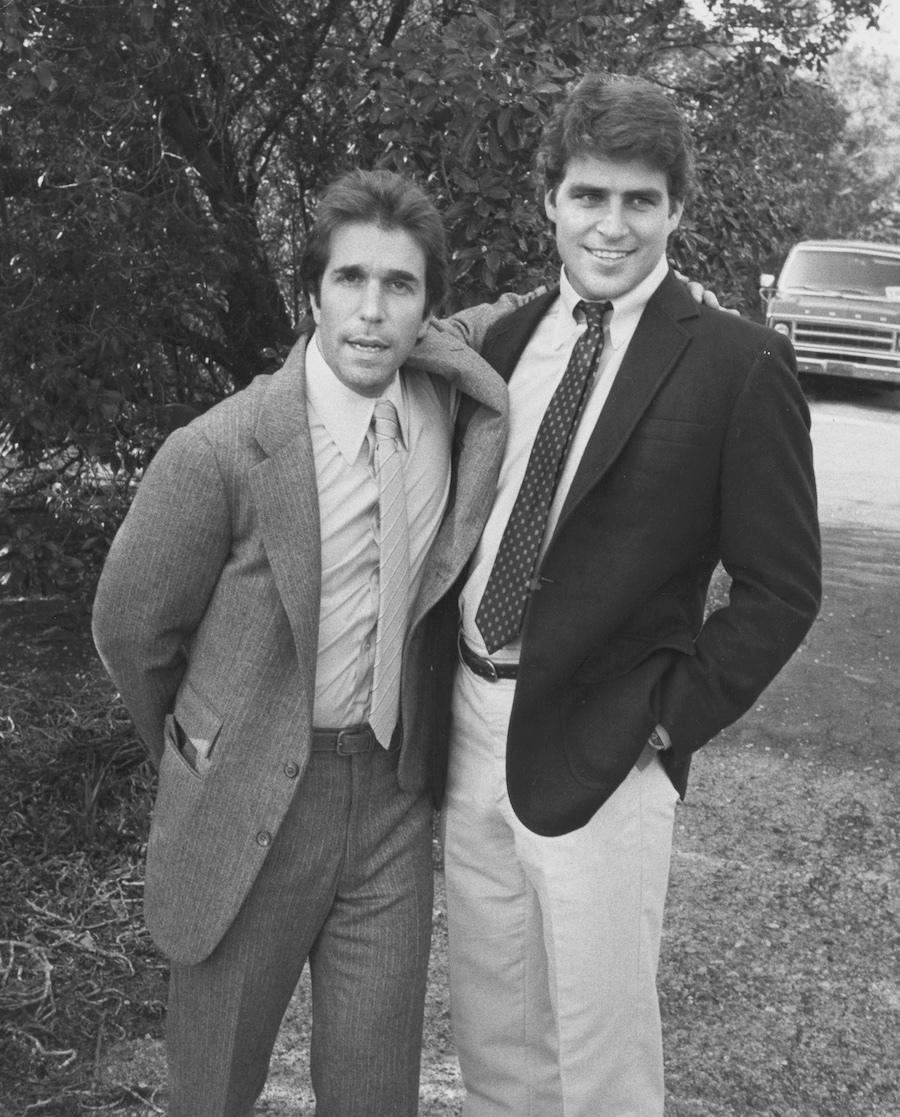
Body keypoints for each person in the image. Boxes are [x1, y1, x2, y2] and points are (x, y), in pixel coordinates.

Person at [430, 73, 822, 1117]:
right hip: (469, 725)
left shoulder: (739, 363)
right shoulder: (506, 345)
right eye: (590, 197)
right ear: (551, 200)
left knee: (601, 1072)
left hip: (604, 745)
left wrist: (664, 717)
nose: (612, 225)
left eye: (640, 201)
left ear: (675, 209)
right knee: (496, 1049)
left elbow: (784, 588)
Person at [91, 168, 509, 1117]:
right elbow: (129, 628)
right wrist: (200, 742)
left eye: (399, 286)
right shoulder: (220, 450)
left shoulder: (448, 401)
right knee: (215, 1088)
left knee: (374, 1091)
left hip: (393, 802)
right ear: (311, 292)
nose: (372, 311)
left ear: (429, 311)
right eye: (350, 280)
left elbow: (544, 302)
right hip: (250, 804)